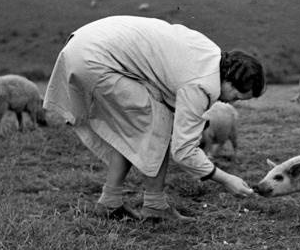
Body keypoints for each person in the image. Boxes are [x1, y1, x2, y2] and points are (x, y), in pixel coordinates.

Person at [43, 15, 266, 221]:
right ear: (229, 80)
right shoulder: (202, 85)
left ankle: (110, 202)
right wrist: (227, 179)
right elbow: (184, 151)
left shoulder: (210, 54)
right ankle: (154, 206)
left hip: (84, 44)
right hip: (97, 59)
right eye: (237, 95)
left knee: (137, 127)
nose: (232, 102)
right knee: (157, 126)